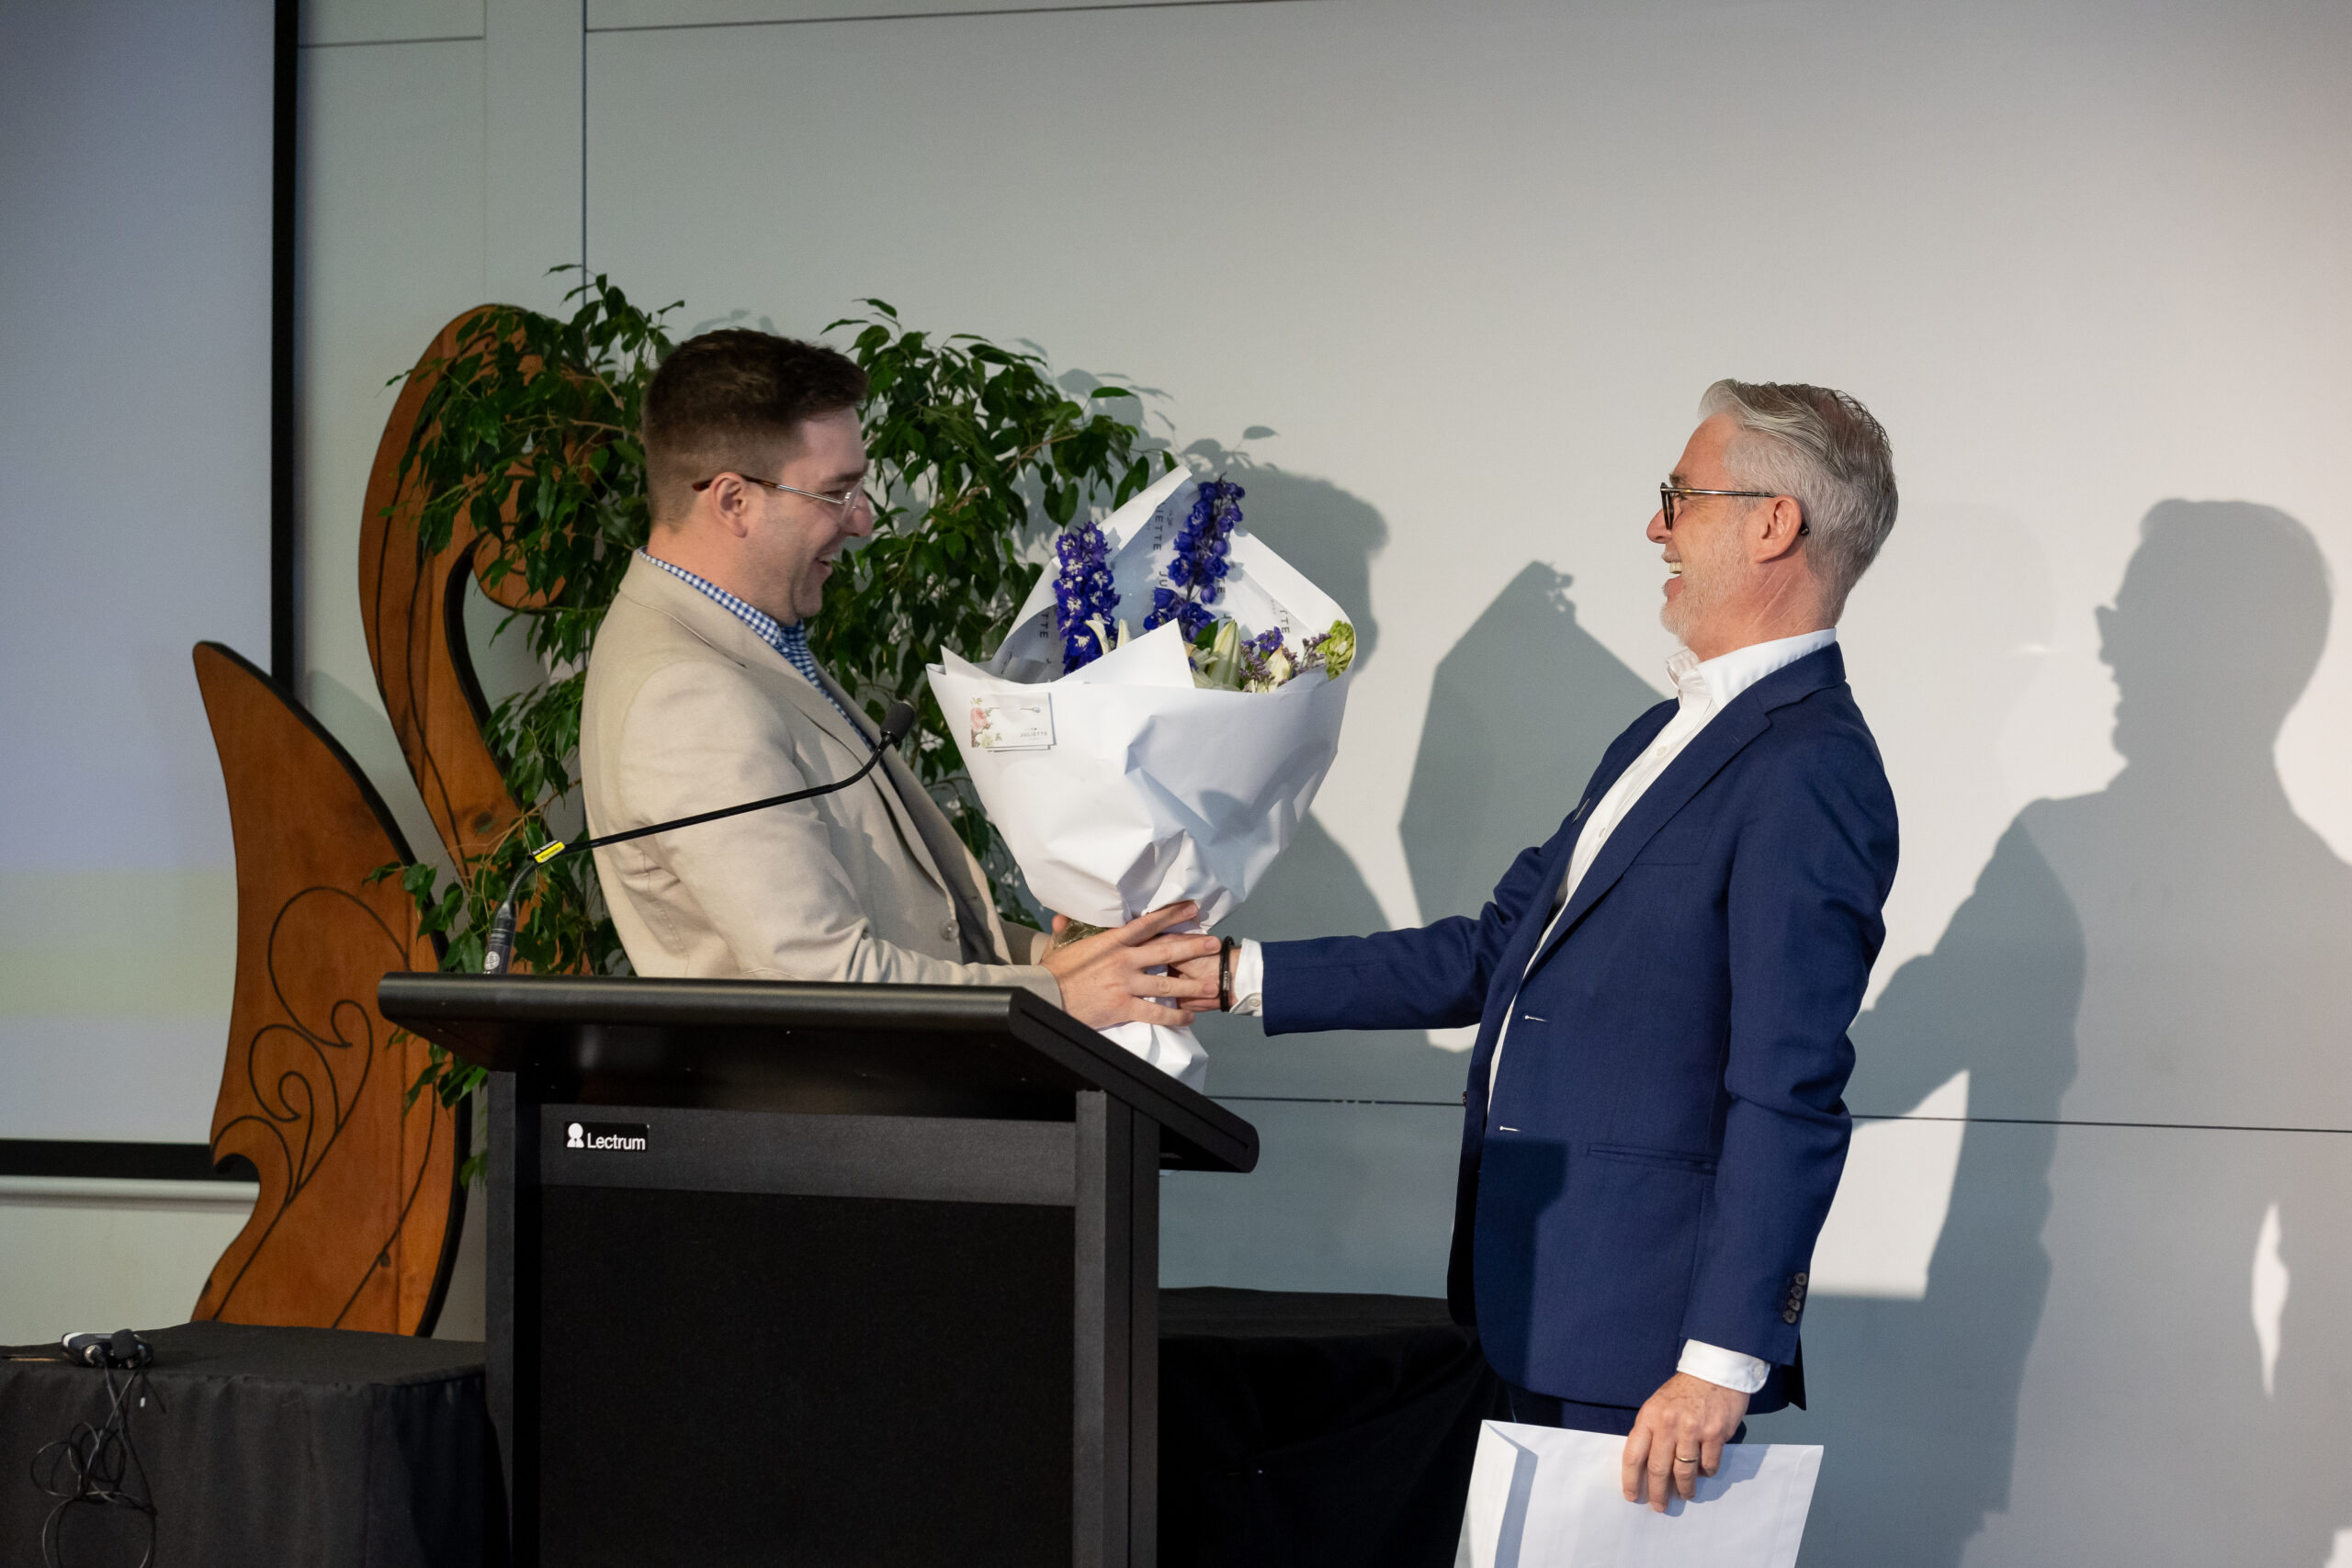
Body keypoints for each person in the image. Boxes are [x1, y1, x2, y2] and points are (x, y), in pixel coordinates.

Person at [1189, 380, 1900, 1510]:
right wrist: (1227, 975)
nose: (1654, 528)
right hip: (1538, 1306)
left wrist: (1718, 1361)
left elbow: (1790, 1087)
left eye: (1681, 497)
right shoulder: (1657, 737)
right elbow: (1487, 954)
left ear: (1774, 525)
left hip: (1649, 1355)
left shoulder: (1809, 769)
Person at [580, 328, 1215, 1030]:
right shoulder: (688, 693)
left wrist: (1068, 955)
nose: (864, 519)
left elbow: (907, 924)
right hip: (842, 1124)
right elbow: (824, 979)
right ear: (734, 501)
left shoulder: (745, 641)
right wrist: (1061, 994)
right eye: (837, 491)